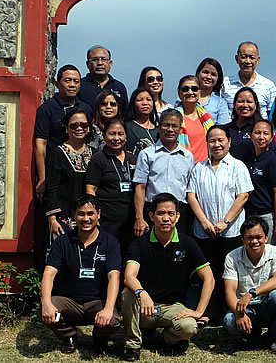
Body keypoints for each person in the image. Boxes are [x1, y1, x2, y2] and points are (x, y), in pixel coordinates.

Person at [120, 193, 215, 361]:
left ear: (177, 217)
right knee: (128, 293)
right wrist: (142, 293)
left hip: (173, 307)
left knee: (189, 328)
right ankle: (133, 345)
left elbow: (209, 278)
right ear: (151, 216)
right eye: (160, 213)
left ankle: (164, 339)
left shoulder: (187, 243)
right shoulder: (139, 244)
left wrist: (199, 311)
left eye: (171, 214)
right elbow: (129, 276)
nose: (166, 218)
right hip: (145, 308)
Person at [41, 194, 122, 355]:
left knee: (113, 319)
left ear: (99, 214)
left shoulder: (110, 242)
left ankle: (99, 339)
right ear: (74, 216)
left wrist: (108, 308)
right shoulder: (63, 242)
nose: (86, 219)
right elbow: (48, 274)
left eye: (90, 213)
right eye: (81, 214)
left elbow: (114, 277)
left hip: (97, 302)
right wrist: (46, 303)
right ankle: (69, 336)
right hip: (69, 301)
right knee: (46, 308)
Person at [187, 125, 253, 321]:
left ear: (229, 142)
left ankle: (230, 312)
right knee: (208, 273)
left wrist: (224, 222)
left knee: (230, 274)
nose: (216, 144)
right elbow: (192, 196)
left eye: (220, 140)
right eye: (212, 141)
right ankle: (208, 313)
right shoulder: (199, 168)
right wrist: (205, 222)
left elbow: (243, 196)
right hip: (204, 232)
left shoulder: (237, 166)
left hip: (231, 232)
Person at [222, 216, 276, 354]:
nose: (254, 241)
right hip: (246, 308)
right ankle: (252, 338)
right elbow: (229, 291)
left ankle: (274, 338)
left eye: (259, 237)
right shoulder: (232, 257)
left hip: (267, 304)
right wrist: (239, 314)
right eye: (249, 237)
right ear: (243, 239)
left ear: (266, 237)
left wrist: (251, 293)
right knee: (229, 320)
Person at [34, 65, 93, 202]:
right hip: (55, 171)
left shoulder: (86, 109)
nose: (72, 85)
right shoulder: (47, 109)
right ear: (57, 84)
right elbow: (40, 143)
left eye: (76, 81)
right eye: (67, 81)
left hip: (82, 171)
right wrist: (42, 177)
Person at [132, 109, 195, 236]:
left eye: (174, 126)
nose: (170, 129)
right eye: (166, 125)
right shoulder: (146, 154)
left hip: (179, 212)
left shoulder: (188, 157)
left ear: (180, 129)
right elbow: (140, 187)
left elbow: (190, 190)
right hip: (153, 211)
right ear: (159, 127)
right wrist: (139, 217)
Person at [85, 118, 136, 250]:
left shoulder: (134, 158)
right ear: (104, 135)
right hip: (108, 219)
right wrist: (94, 216)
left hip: (131, 219)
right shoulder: (99, 158)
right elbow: (91, 189)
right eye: (112, 134)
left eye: (120, 134)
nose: (116, 138)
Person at [44, 108, 95, 238]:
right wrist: (53, 219)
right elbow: (51, 188)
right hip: (64, 219)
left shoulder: (95, 154)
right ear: (66, 128)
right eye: (74, 125)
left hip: (90, 220)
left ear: (89, 128)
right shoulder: (58, 153)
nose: (79, 128)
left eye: (83, 125)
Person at [245, 120, 276, 245]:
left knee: (270, 254)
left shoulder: (273, 161)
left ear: (272, 137)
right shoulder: (249, 159)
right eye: (257, 133)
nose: (261, 137)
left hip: (268, 216)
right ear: (251, 136)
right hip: (250, 216)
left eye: (265, 133)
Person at [220, 41, 276, 119]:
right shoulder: (224, 84)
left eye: (252, 57)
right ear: (237, 59)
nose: (247, 61)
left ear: (258, 60)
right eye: (243, 57)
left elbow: (273, 114)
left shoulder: (268, 85)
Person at [175, 75, 214, 163]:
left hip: (204, 169)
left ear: (199, 92)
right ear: (179, 93)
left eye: (194, 89)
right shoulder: (174, 118)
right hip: (182, 167)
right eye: (185, 89)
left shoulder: (207, 118)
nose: (190, 92)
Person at [224, 86, 261, 163]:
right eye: (240, 101)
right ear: (234, 104)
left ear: (255, 105)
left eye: (249, 102)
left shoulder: (261, 129)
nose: (244, 105)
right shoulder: (226, 129)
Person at [124, 87, 158, 155]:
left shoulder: (158, 131)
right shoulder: (126, 127)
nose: (145, 103)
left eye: (148, 100)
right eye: (140, 100)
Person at [195, 58, 230, 124]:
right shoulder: (185, 97)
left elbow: (222, 128)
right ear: (198, 74)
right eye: (205, 72)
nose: (208, 77)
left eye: (213, 74)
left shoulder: (220, 103)